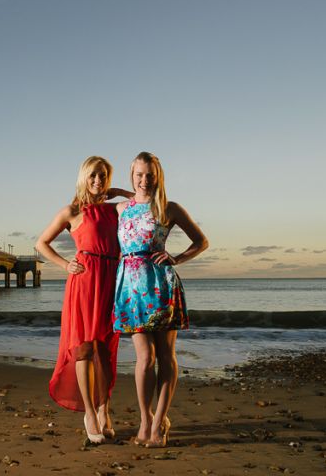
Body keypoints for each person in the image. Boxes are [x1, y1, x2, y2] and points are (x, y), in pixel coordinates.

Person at [112, 151, 208, 448]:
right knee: (144, 359)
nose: (144, 180)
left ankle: (158, 424)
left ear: (159, 176)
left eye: (150, 175)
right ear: (132, 175)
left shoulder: (169, 207)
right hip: (130, 287)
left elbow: (201, 241)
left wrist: (177, 259)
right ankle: (146, 419)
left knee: (165, 356)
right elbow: (90, 197)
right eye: (139, 174)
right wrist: (120, 191)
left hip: (161, 286)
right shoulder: (120, 209)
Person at [35, 156, 132, 444]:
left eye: (103, 176)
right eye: (93, 175)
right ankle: (89, 413)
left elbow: (145, 201)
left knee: (106, 350)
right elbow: (41, 243)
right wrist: (65, 265)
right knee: (84, 349)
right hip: (85, 282)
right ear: (83, 177)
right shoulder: (72, 211)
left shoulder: (116, 209)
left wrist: (120, 193)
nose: (98, 181)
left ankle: (104, 409)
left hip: (111, 280)